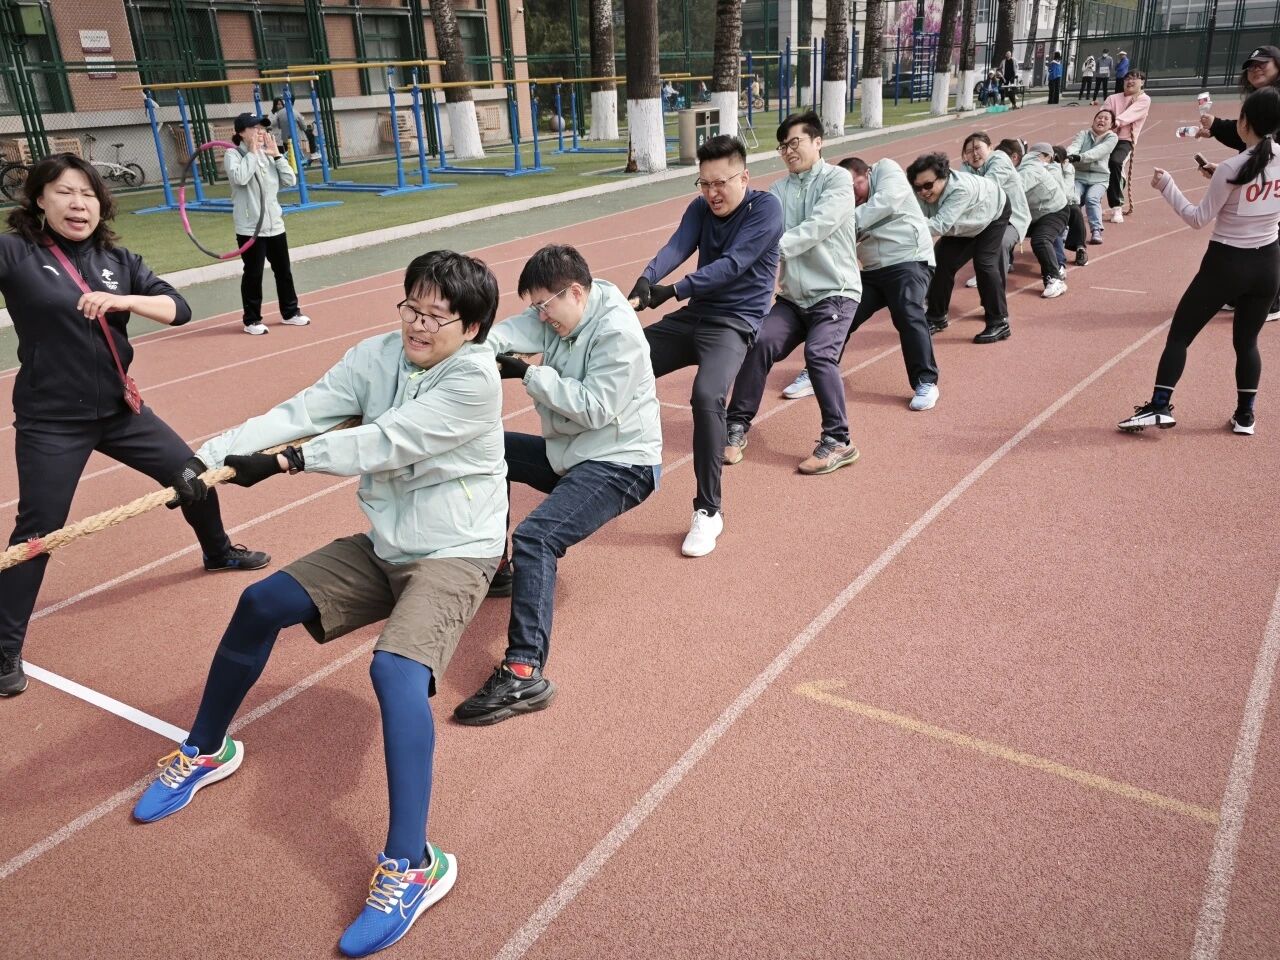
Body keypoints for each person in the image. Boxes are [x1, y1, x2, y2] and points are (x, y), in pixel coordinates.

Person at [130, 250, 506, 958]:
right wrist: (208, 458)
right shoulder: (377, 355)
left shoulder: (475, 380)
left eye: (437, 316)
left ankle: (413, 866)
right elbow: (303, 411)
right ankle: (205, 751)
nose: (418, 325)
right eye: (412, 307)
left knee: (395, 672)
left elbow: (388, 442)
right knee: (259, 603)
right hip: (388, 543)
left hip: (456, 550)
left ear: (473, 328)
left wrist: (289, 462)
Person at [0, 155, 269, 697]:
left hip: (123, 412)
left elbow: (179, 308)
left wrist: (123, 300)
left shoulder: (118, 260)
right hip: (52, 421)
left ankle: (218, 551)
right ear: (39, 200)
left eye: (89, 194)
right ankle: (4, 648)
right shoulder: (15, 252)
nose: (79, 204)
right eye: (65, 192)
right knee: (37, 531)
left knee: (193, 473)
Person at [453, 245, 661, 725]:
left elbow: (595, 408)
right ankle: (499, 567)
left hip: (622, 462)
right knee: (490, 448)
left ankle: (524, 671)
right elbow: (505, 334)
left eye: (545, 307)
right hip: (573, 453)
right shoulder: (559, 311)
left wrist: (529, 373)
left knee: (537, 537)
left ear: (576, 293)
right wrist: (462, 349)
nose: (541, 318)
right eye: (536, 308)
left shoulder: (618, 334)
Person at [628, 135, 782, 557]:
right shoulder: (700, 208)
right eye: (704, 183)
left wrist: (673, 290)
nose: (712, 193)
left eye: (720, 183)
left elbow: (733, 265)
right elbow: (678, 246)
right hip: (695, 315)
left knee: (707, 394)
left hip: (733, 324)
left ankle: (708, 510)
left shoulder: (766, 210)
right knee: (625, 358)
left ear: (744, 177)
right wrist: (647, 278)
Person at [1119, 88, 1280, 436]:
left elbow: (1197, 218)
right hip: (1268, 263)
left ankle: (1159, 406)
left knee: (1180, 335)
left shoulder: (1232, 168)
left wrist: (1167, 186)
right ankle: (1246, 416)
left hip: (1226, 263)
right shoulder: (1246, 166)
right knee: (1247, 343)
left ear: (1244, 123)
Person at [724, 112, 860, 475]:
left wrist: (765, 249)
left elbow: (818, 226)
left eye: (794, 142)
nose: (788, 151)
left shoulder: (837, 180)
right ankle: (735, 426)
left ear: (818, 142)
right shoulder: (777, 191)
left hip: (835, 292)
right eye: (782, 146)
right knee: (758, 343)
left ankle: (838, 440)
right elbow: (759, 229)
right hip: (793, 298)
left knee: (819, 355)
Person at [839, 155, 941, 411]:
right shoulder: (848, 206)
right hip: (873, 269)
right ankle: (817, 369)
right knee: (841, 314)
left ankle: (925, 381)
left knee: (907, 309)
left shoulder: (886, 169)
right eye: (846, 192)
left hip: (909, 260)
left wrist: (841, 223)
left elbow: (887, 200)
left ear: (867, 173)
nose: (853, 194)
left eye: (855, 185)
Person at [1199, 45, 1280, 321]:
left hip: (1272, 182)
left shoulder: (1275, 101)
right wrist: (1233, 174)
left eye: (1262, 64)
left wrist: (1216, 127)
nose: (1255, 69)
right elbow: (1250, 139)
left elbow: (1259, 141)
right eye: (1251, 66)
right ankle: (1241, 294)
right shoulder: (1261, 98)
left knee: (1269, 238)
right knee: (1249, 236)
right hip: (1259, 178)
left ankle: (1270, 302)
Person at [907, 152, 1012, 344]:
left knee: (984, 263)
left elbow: (939, 225)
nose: (923, 192)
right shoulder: (922, 191)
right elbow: (915, 217)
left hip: (993, 214)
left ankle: (999, 322)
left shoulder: (960, 189)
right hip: (965, 220)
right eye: (918, 187)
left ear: (944, 176)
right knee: (941, 260)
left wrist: (904, 226)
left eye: (928, 185)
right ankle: (936, 316)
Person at [226, 112, 312, 336]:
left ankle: (290, 313)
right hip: (250, 228)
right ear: (241, 132)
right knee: (253, 274)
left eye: (262, 128)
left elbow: (290, 180)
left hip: (275, 225)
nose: (260, 132)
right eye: (254, 128)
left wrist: (277, 156)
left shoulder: (268, 154)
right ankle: (252, 320)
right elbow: (240, 178)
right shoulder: (233, 155)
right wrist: (252, 153)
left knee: (284, 271)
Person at [962, 132, 1028, 286]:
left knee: (1000, 243)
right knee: (950, 244)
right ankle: (985, 272)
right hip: (986, 218)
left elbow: (988, 187)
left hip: (1012, 219)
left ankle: (996, 288)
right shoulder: (967, 167)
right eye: (969, 151)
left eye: (978, 148)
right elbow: (962, 189)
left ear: (990, 147)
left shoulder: (1000, 160)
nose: (974, 154)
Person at [1018, 143, 1072, 298]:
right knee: (998, 231)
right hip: (1034, 214)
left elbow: (1016, 188)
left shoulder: (1036, 168)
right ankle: (989, 271)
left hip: (1055, 211)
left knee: (1041, 239)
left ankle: (1055, 278)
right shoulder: (1021, 167)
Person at [1102, 70, 1151, 222]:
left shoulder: (1143, 100)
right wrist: (1103, 124)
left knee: (1115, 162)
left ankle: (1116, 207)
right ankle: (1091, 202)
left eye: (1135, 79)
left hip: (1125, 141)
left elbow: (1130, 115)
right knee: (1093, 163)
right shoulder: (1112, 98)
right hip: (1107, 137)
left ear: (1142, 82)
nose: (1130, 81)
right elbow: (1103, 114)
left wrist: (1115, 122)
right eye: (1127, 79)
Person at [1067, 108, 1119, 245]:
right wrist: (1069, 155)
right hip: (1079, 176)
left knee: (1092, 198)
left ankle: (1096, 230)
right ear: (1094, 121)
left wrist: (1079, 157)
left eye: (1106, 119)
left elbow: (1098, 152)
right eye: (1099, 117)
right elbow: (1074, 146)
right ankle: (1068, 229)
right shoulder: (1083, 134)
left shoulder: (1112, 138)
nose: (1102, 120)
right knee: (1073, 199)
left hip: (1099, 178)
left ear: (1111, 125)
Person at [1053, 145, 1091, 267]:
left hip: (1065, 202)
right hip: (1047, 205)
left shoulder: (1068, 169)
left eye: (1057, 160)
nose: (1055, 163)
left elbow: (1067, 193)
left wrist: (1064, 169)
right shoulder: (1044, 168)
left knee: (1076, 211)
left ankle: (1080, 249)